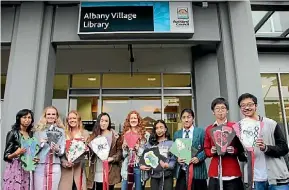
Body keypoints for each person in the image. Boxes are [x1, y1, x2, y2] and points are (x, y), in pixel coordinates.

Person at [238, 93, 289, 190]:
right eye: (243, 105)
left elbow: (284, 148)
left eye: (250, 104)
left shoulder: (271, 124)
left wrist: (266, 148)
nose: (246, 107)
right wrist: (246, 153)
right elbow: (241, 156)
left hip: (276, 177)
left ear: (256, 106)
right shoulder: (239, 128)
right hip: (254, 180)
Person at [204, 97, 244, 190]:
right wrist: (211, 151)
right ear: (213, 112)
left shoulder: (235, 127)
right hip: (215, 172)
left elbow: (241, 148)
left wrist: (234, 150)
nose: (220, 111)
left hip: (232, 171)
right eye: (217, 108)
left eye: (223, 108)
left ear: (227, 111)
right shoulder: (209, 129)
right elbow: (206, 148)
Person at [86, 112, 122, 190]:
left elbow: (120, 152)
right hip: (96, 171)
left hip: (110, 171)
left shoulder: (115, 136)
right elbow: (89, 155)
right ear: (98, 122)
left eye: (106, 121)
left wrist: (112, 158)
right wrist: (88, 149)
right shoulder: (93, 136)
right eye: (102, 120)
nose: (104, 123)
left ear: (109, 123)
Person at [174, 108, 208, 190]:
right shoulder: (177, 134)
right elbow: (175, 152)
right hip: (182, 171)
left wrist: (198, 158)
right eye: (184, 117)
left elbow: (207, 149)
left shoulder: (200, 132)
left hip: (197, 171)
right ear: (181, 119)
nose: (186, 120)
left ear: (193, 118)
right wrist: (177, 158)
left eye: (188, 117)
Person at [3, 109, 36, 190]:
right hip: (15, 168)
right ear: (19, 119)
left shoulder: (31, 134)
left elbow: (30, 152)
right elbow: (6, 156)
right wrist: (16, 153)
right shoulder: (13, 133)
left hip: (26, 168)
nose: (27, 120)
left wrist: (34, 159)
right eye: (24, 117)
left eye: (29, 117)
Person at [33, 106, 66, 190]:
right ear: (45, 116)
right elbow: (32, 150)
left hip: (55, 164)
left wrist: (57, 149)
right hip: (40, 164)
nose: (51, 116)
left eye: (53, 114)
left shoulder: (61, 131)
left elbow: (62, 151)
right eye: (48, 114)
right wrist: (40, 144)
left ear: (56, 116)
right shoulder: (38, 130)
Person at [140, 120, 176, 190]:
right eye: (157, 128)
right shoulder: (150, 144)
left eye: (161, 127)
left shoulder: (171, 143)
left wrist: (168, 165)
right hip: (154, 176)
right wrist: (141, 165)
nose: (159, 130)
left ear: (165, 129)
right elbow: (142, 156)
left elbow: (174, 160)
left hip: (167, 175)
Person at [59, 110, 90, 190]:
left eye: (74, 118)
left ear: (78, 119)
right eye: (70, 119)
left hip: (79, 168)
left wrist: (86, 148)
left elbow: (89, 153)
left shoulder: (85, 133)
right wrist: (64, 162)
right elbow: (60, 152)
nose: (72, 120)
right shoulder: (64, 133)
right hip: (65, 170)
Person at [121, 111, 150, 190]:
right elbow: (124, 155)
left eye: (135, 118)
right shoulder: (126, 134)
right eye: (131, 118)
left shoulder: (145, 134)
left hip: (139, 167)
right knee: (124, 188)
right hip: (127, 166)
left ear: (138, 120)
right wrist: (125, 148)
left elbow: (148, 154)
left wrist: (139, 148)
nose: (133, 120)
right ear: (129, 120)